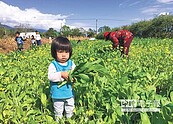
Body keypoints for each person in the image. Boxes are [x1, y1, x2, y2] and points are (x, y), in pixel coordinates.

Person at [48, 36, 76, 122]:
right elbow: (51, 76)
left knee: (70, 107)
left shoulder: (71, 64)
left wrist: (74, 78)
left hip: (69, 93)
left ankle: (69, 119)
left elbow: (75, 74)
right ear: (54, 52)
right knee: (58, 109)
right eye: (60, 52)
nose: (64, 55)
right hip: (57, 94)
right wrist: (61, 74)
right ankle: (58, 120)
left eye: (66, 52)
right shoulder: (53, 64)